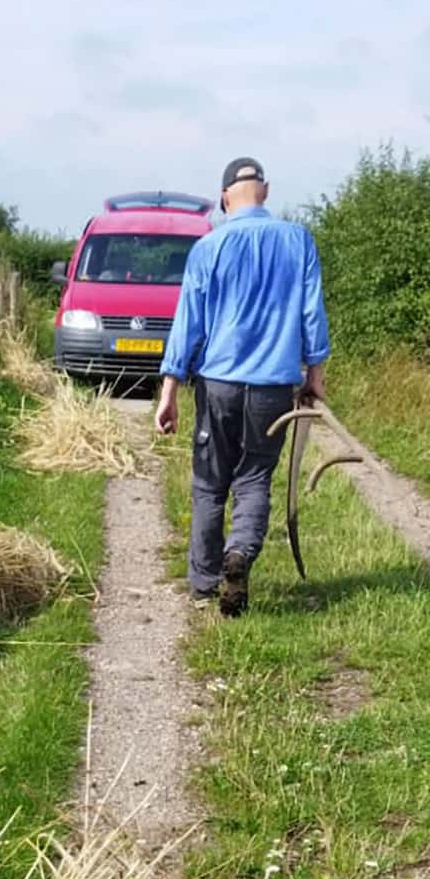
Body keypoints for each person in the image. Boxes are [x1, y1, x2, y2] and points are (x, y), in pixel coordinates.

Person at [155, 157, 331, 616]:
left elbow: (187, 324)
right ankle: (240, 554)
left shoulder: (208, 249)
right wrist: (315, 376)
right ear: (266, 192)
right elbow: (312, 313)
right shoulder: (299, 241)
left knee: (210, 483)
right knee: (254, 479)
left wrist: (169, 390)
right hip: (273, 386)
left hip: (219, 384)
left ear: (224, 199)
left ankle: (204, 583)